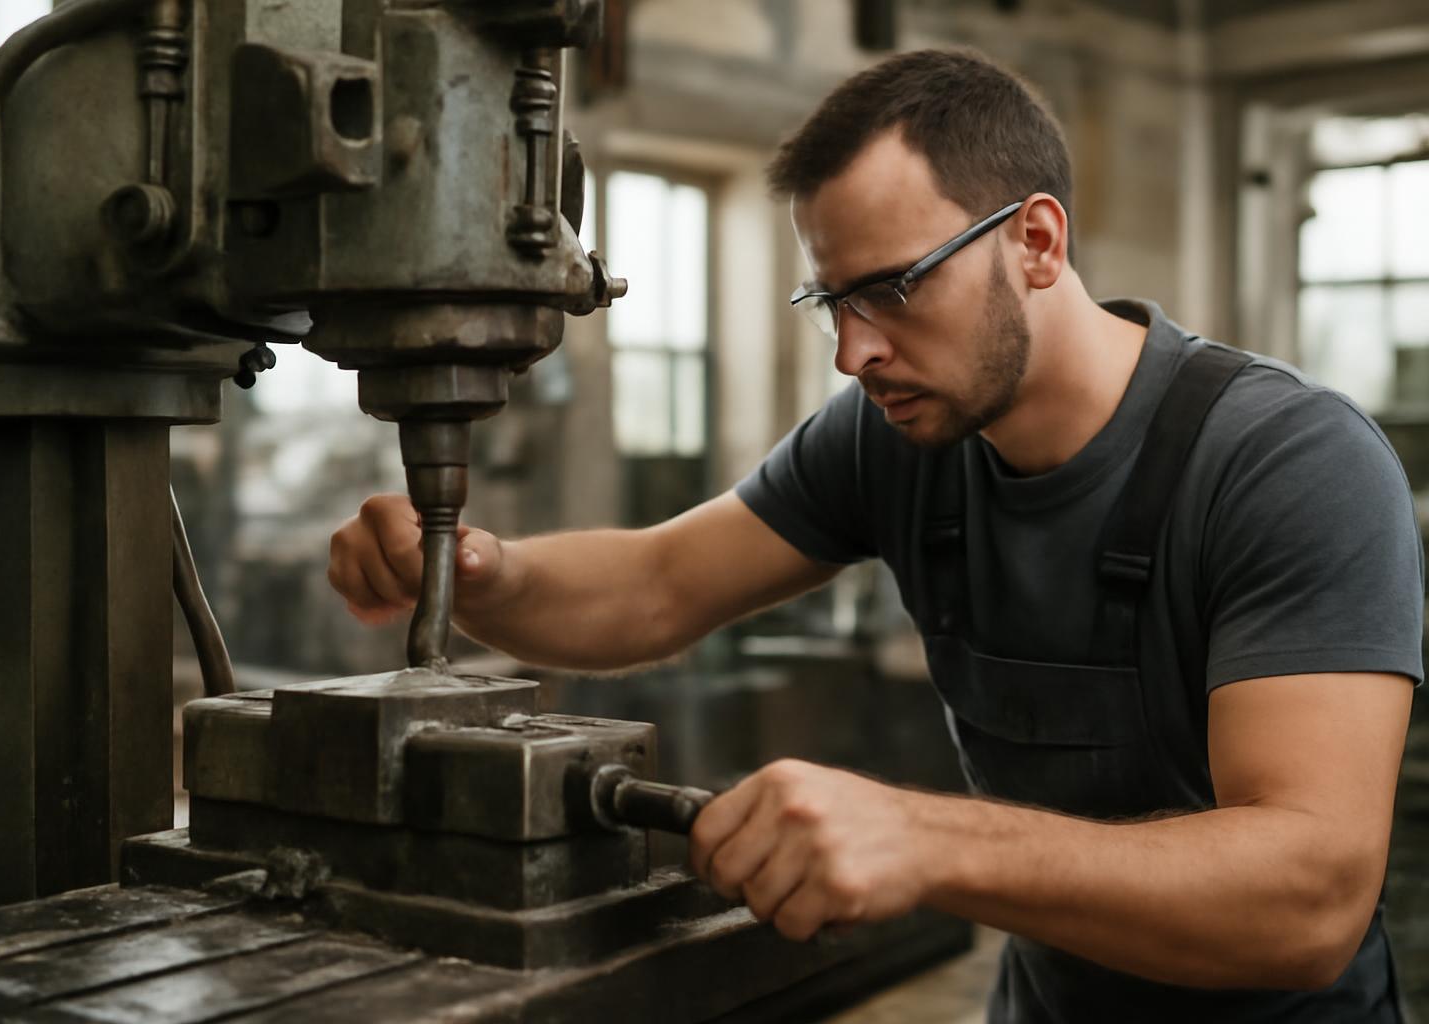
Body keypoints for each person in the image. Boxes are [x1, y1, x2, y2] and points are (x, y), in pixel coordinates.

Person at [327, 48, 1422, 1022]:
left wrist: (929, 838)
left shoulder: (1287, 465)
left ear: (1036, 240)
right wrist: (479, 571)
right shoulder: (899, 437)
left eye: (893, 290)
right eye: (831, 302)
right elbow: (658, 583)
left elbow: (1310, 893)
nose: (853, 354)